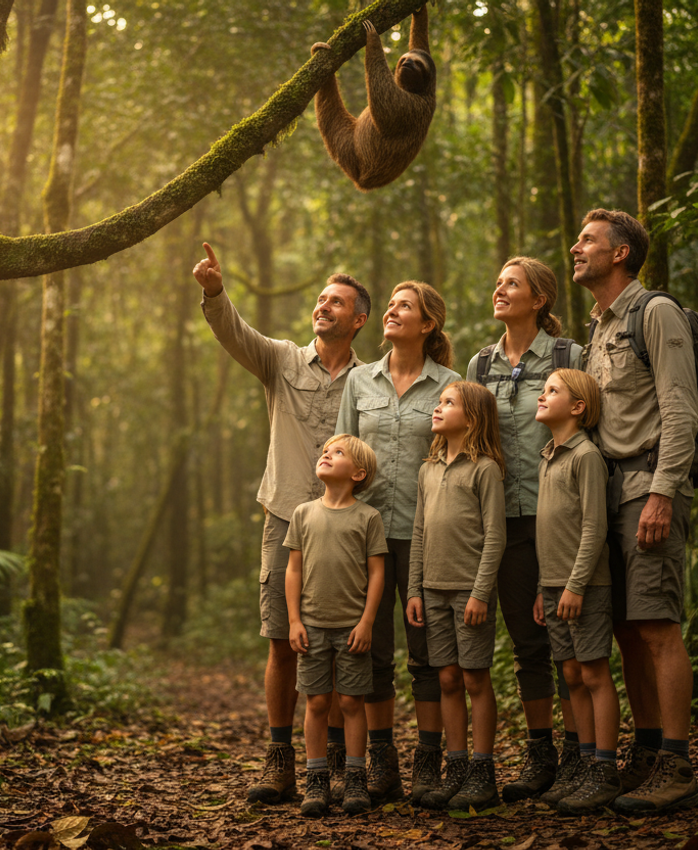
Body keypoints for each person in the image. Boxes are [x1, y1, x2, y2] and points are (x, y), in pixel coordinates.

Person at [193, 242, 371, 804]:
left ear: (358, 319)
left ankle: (340, 754)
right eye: (320, 299)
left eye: (336, 302)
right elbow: (235, 333)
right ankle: (279, 758)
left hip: (348, 525)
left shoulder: (370, 382)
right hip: (286, 521)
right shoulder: (283, 360)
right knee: (282, 639)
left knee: (346, 639)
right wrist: (215, 292)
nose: (323, 307)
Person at [571, 209, 698, 813]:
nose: (577, 247)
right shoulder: (597, 328)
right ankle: (646, 755)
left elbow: (680, 410)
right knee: (625, 630)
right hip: (609, 496)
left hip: (648, 486)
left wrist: (663, 493)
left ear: (620, 253)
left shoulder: (657, 313)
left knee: (657, 627)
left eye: (588, 240)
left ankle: (677, 765)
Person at [335, 281, 460, 803]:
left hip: (425, 535)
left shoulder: (450, 384)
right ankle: (381, 764)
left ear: (427, 324)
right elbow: (341, 453)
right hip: (364, 537)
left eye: (403, 306)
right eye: (389, 304)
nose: (391, 311)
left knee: (427, 656)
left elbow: (461, 457)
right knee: (371, 654)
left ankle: (429, 765)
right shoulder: (360, 381)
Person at [465, 257, 581, 801]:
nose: (500, 289)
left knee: (570, 641)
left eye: (512, 283)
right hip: (502, 524)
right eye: (498, 283)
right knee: (527, 644)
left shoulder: (567, 356)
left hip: (558, 518)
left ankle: (583, 755)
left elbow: (587, 434)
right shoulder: (480, 364)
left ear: (540, 299)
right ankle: (541, 755)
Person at [405, 381, 507, 811]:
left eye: (449, 403)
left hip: (469, 591)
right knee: (446, 678)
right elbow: (418, 532)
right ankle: (457, 766)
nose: (438, 407)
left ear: (474, 417)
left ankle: (483, 773)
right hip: (431, 591)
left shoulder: (484, 468)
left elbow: (496, 537)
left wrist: (481, 593)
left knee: (474, 678)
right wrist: (413, 588)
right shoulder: (428, 469)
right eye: (439, 401)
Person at [285, 435, 388, 817]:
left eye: (338, 452)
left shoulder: (368, 518)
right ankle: (316, 779)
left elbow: (377, 575)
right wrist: (294, 620)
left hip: (351, 628)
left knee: (350, 701)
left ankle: (356, 776)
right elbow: (293, 569)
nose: (326, 454)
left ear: (358, 473)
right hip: (311, 626)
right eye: (325, 451)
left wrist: (367, 622)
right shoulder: (304, 513)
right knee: (316, 701)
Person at [532, 369, 621, 813]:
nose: (542, 395)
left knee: (592, 672)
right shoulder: (549, 455)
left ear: (579, 407)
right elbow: (550, 532)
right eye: (543, 389)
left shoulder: (586, 456)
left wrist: (575, 584)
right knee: (569, 675)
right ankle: (584, 763)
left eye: (553, 390)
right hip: (553, 586)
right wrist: (542, 588)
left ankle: (604, 768)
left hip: (584, 587)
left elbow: (594, 527)